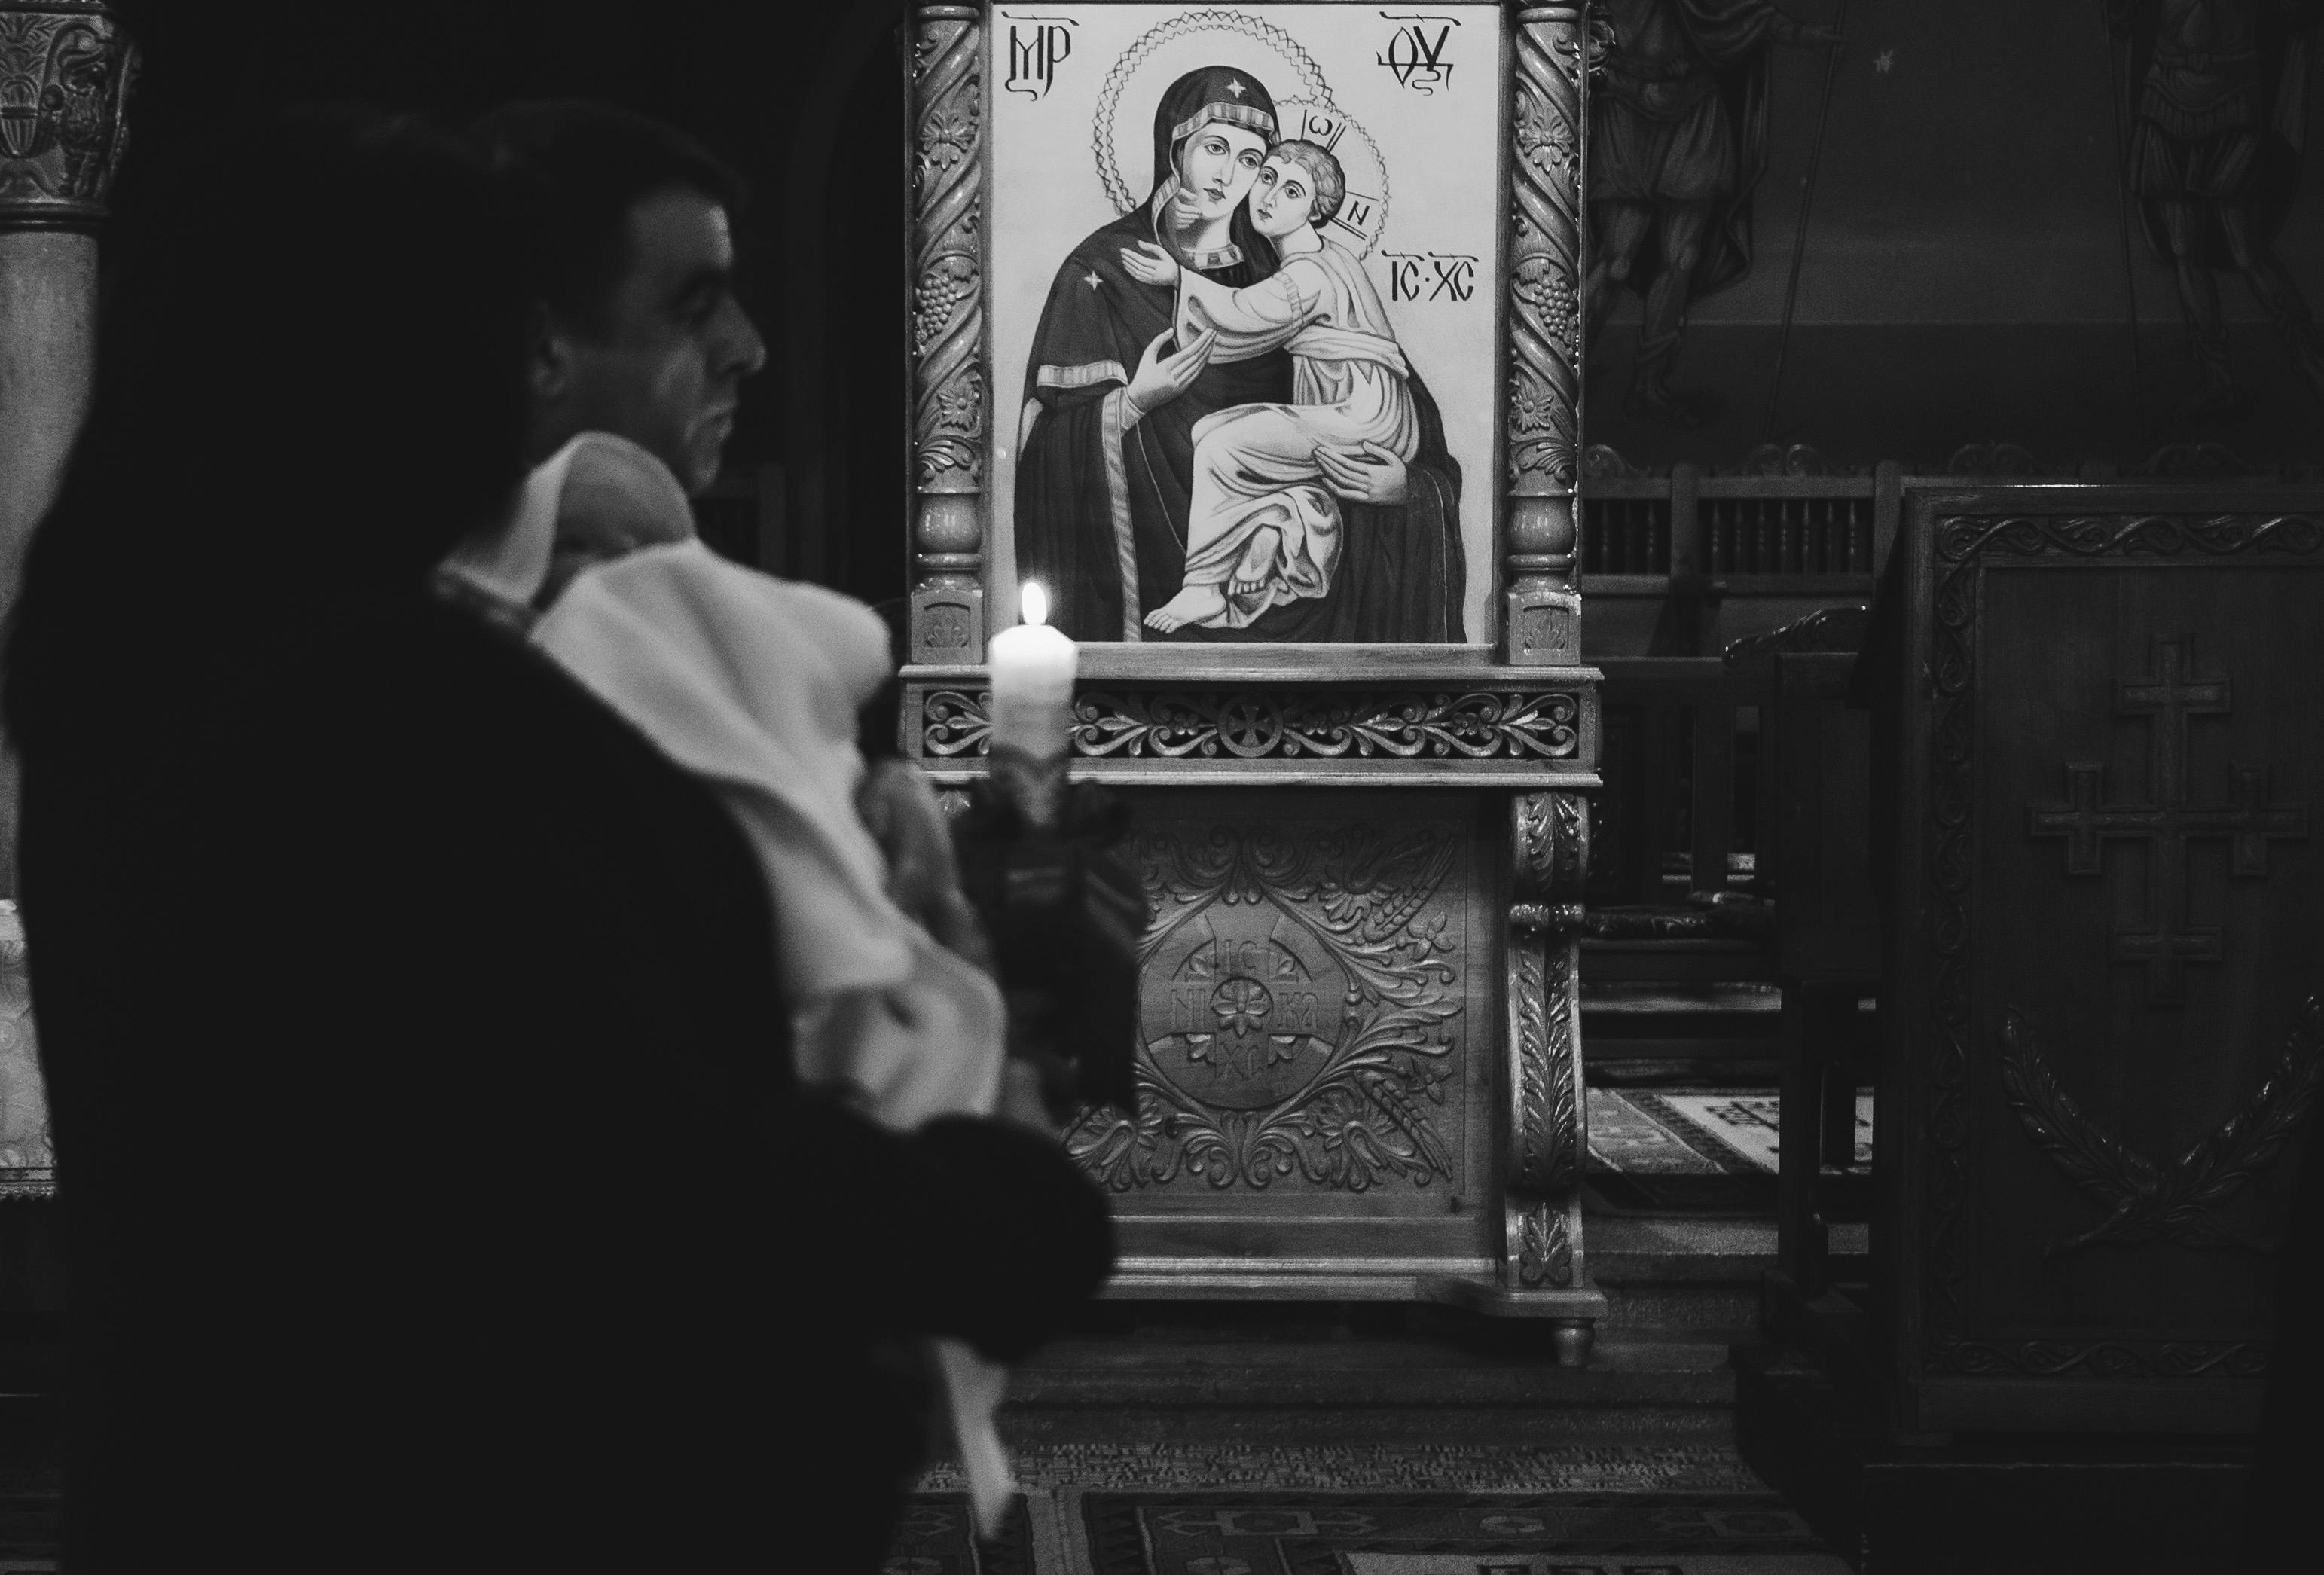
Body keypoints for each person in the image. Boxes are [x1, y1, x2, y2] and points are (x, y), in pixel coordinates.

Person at [2, 108, 1111, 1573]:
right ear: (376, 371)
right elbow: (665, 1184)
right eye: (488, 332)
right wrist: (1008, 1209)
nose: (517, 378)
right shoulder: (404, 715)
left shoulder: (136, 679)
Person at [1012, 66, 1466, 643]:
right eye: (1214, 148)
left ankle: (1268, 545)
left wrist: (1405, 491)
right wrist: (1132, 403)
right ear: (1174, 148)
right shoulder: (1102, 273)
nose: (1230, 175)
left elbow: (1410, 429)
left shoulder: (1282, 273)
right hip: (1147, 606)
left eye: (1252, 161)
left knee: (1234, 446)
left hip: (1322, 621)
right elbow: (1046, 452)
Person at [1121, 142, 1420, 633]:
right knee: (1210, 430)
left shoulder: (1308, 273)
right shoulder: (1326, 257)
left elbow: (1242, 314)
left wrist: (1178, 276)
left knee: (1221, 446)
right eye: (1267, 178)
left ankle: (1202, 590)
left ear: (1315, 210)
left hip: (1364, 417)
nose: (1269, 196)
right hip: (1358, 408)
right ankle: (1272, 527)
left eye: (1292, 191)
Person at [1580, 0, 1838, 426]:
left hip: (1692, 115)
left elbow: (1738, 14)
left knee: (1682, 259)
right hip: (1627, 111)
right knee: (1617, 262)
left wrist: (1807, 37)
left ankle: (1648, 387)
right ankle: (1563, 375)